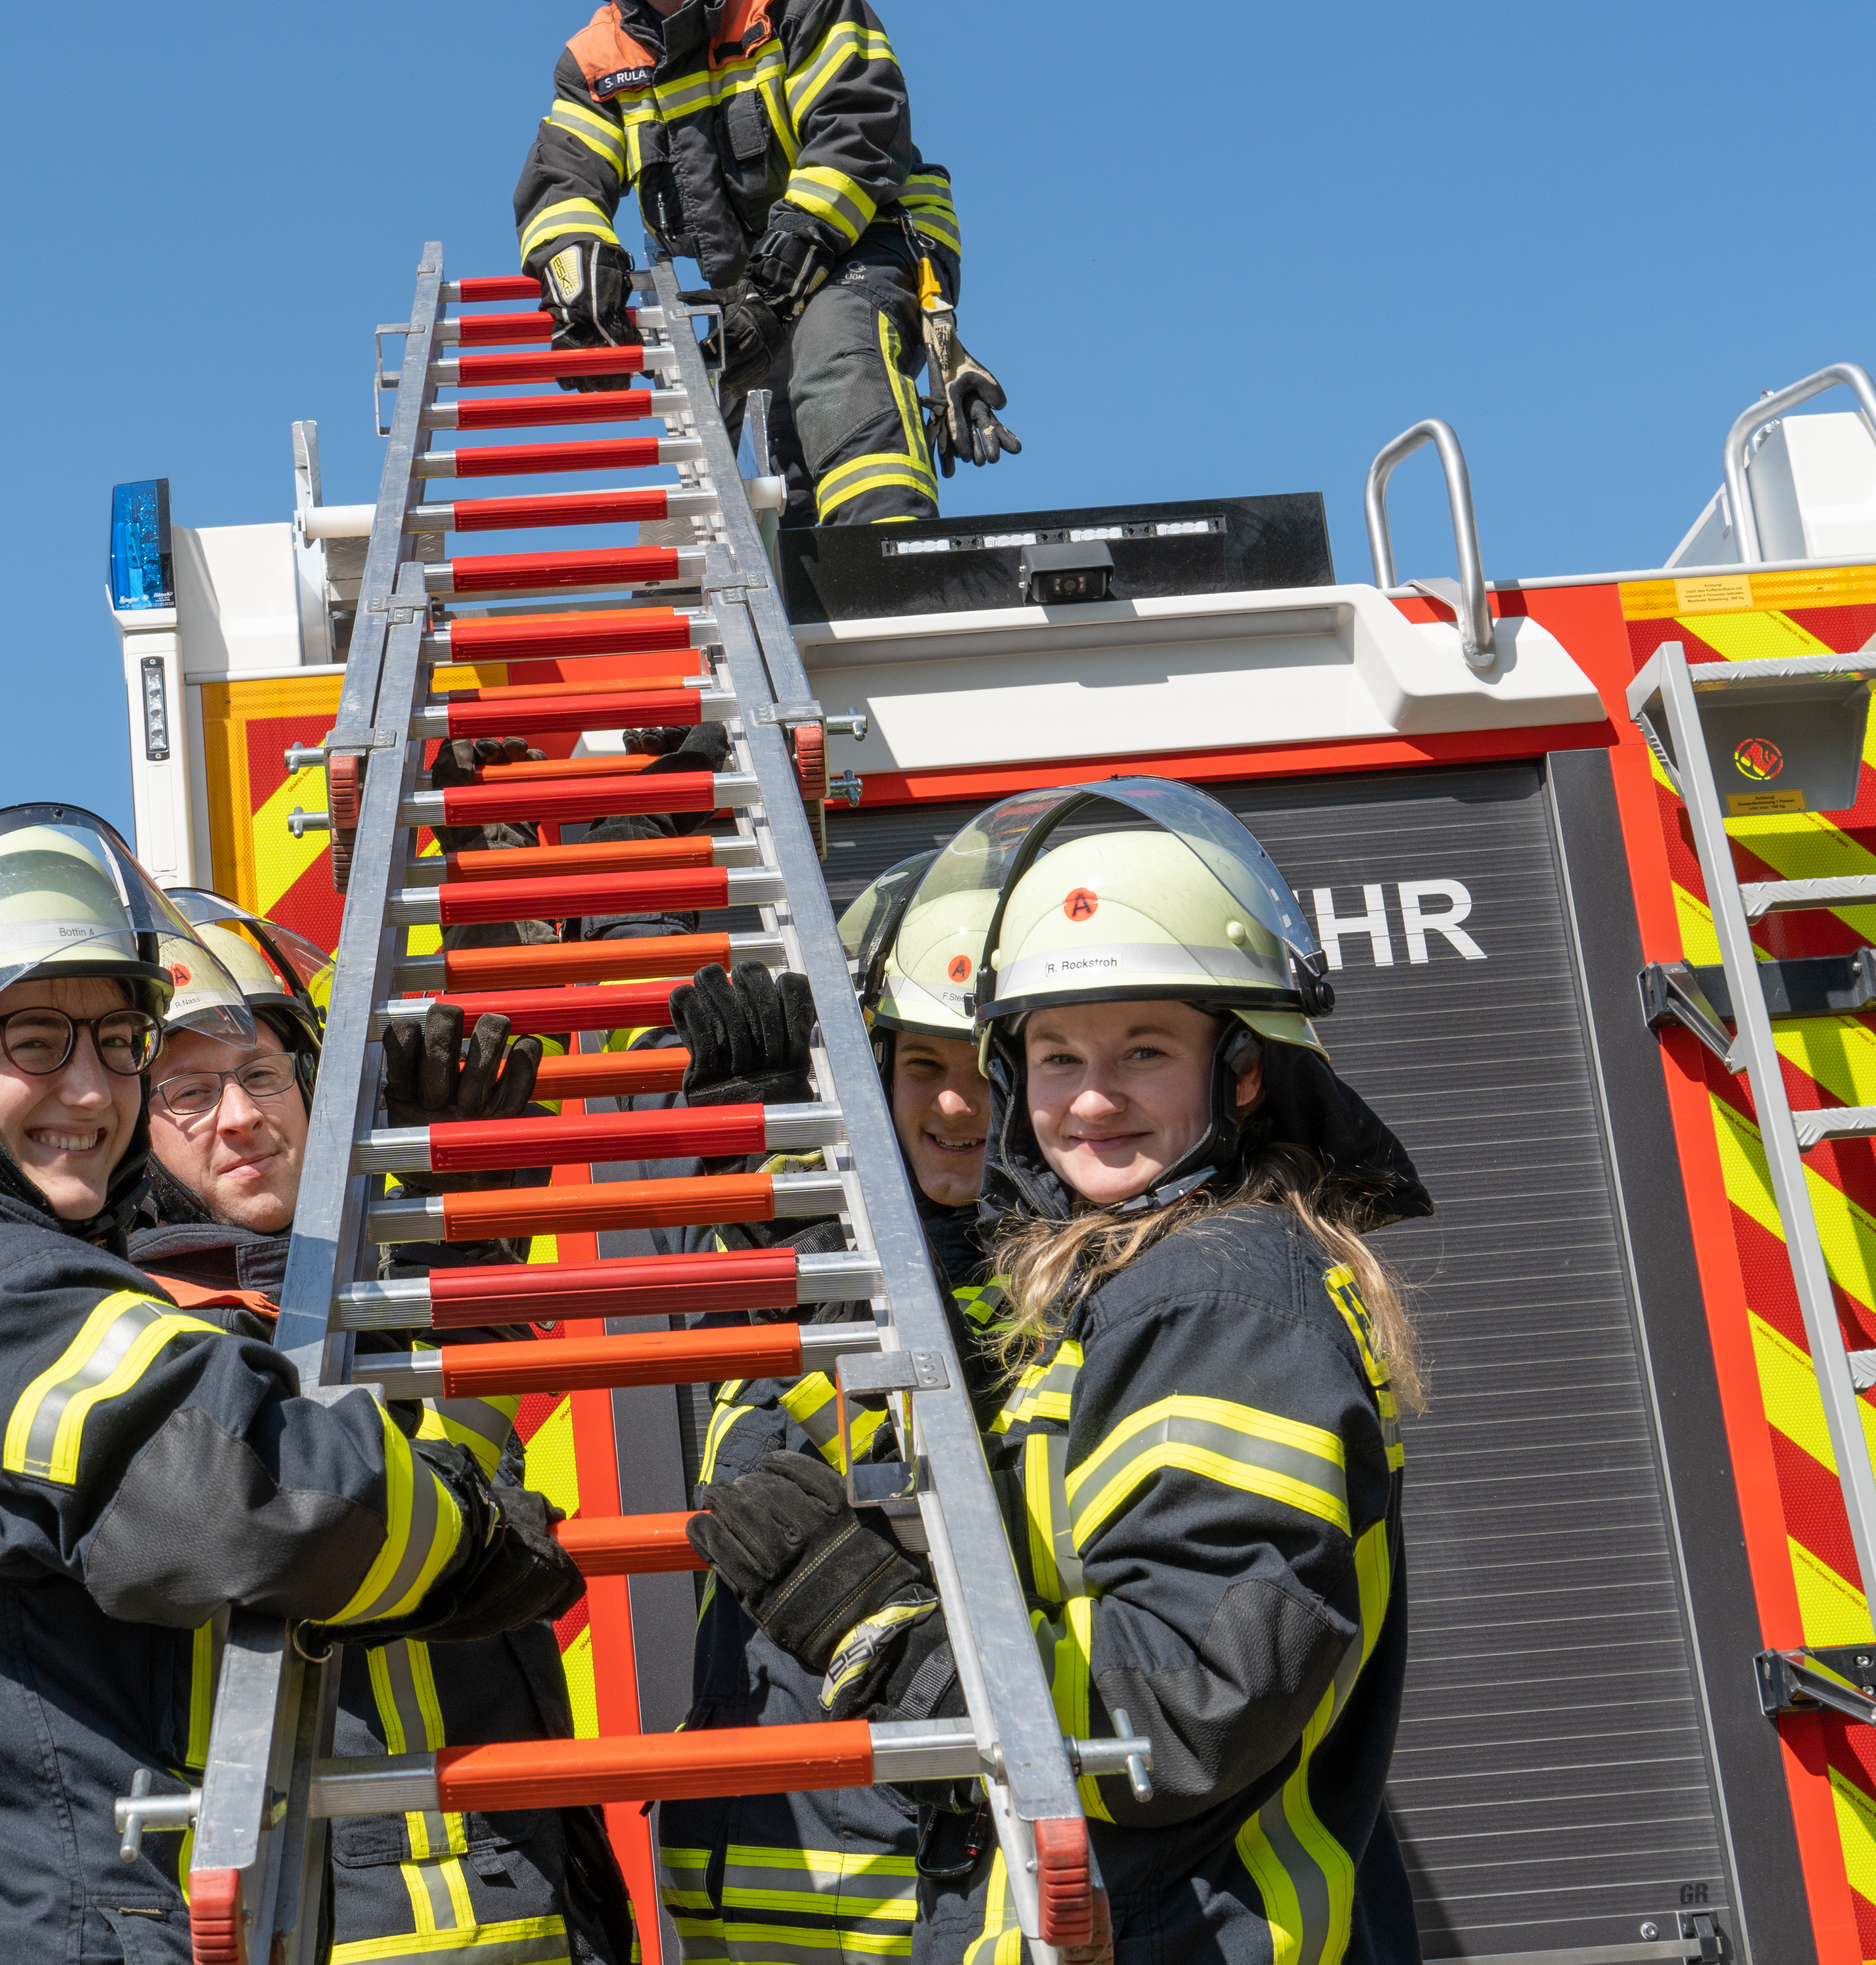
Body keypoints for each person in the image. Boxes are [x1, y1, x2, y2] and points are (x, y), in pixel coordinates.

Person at [0, 806, 587, 1965]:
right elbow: (234, 1500)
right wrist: (471, 1531)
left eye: (118, 1042)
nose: (96, 1091)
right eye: (39, 1041)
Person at [683, 779, 1432, 1965]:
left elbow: (1183, 1710)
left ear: (1240, 1069)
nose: (1092, 1094)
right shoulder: (1128, 1286)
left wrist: (878, 1625)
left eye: (1145, 1047)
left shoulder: (1215, 1296)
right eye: (1055, 1052)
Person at [129, 893, 636, 1965]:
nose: (239, 1115)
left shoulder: (376, 1283)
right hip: (326, 1909)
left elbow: (467, 1456)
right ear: (131, 1126)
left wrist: (468, 1240)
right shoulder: (142, 1339)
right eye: (185, 1091)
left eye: (262, 1075)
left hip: (525, 1862)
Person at [649, 845, 1017, 1964]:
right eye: (919, 1064)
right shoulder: (772, 1248)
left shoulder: (1062, 1269)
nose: (957, 1101)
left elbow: (939, 1451)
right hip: (759, 1869)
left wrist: (791, 1242)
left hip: (943, 1866)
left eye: (987, 1063)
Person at [515, 0, 1010, 526]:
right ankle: (812, 582)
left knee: (836, 353)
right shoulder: (597, 61)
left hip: (866, 239)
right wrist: (575, 262)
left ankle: (888, 553)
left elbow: (858, 131)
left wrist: (779, 284)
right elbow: (563, 180)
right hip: (754, 286)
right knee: (779, 440)